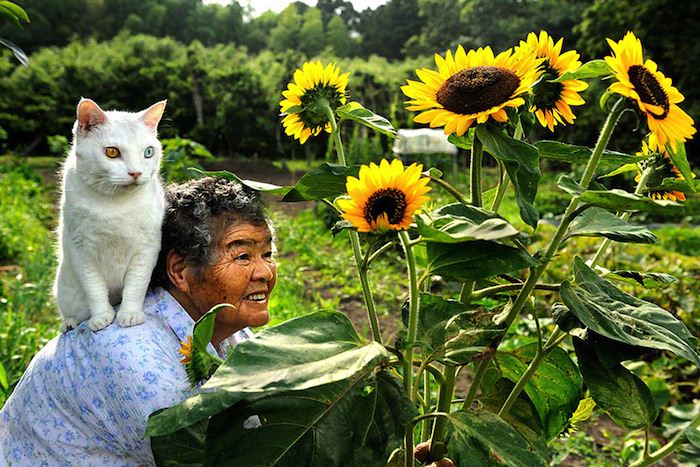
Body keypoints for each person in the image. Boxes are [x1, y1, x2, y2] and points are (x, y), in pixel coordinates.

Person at [0, 177, 277, 466]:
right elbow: (212, 458)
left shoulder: (225, 329)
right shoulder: (135, 354)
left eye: (267, 254)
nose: (265, 272)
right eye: (243, 256)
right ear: (180, 271)